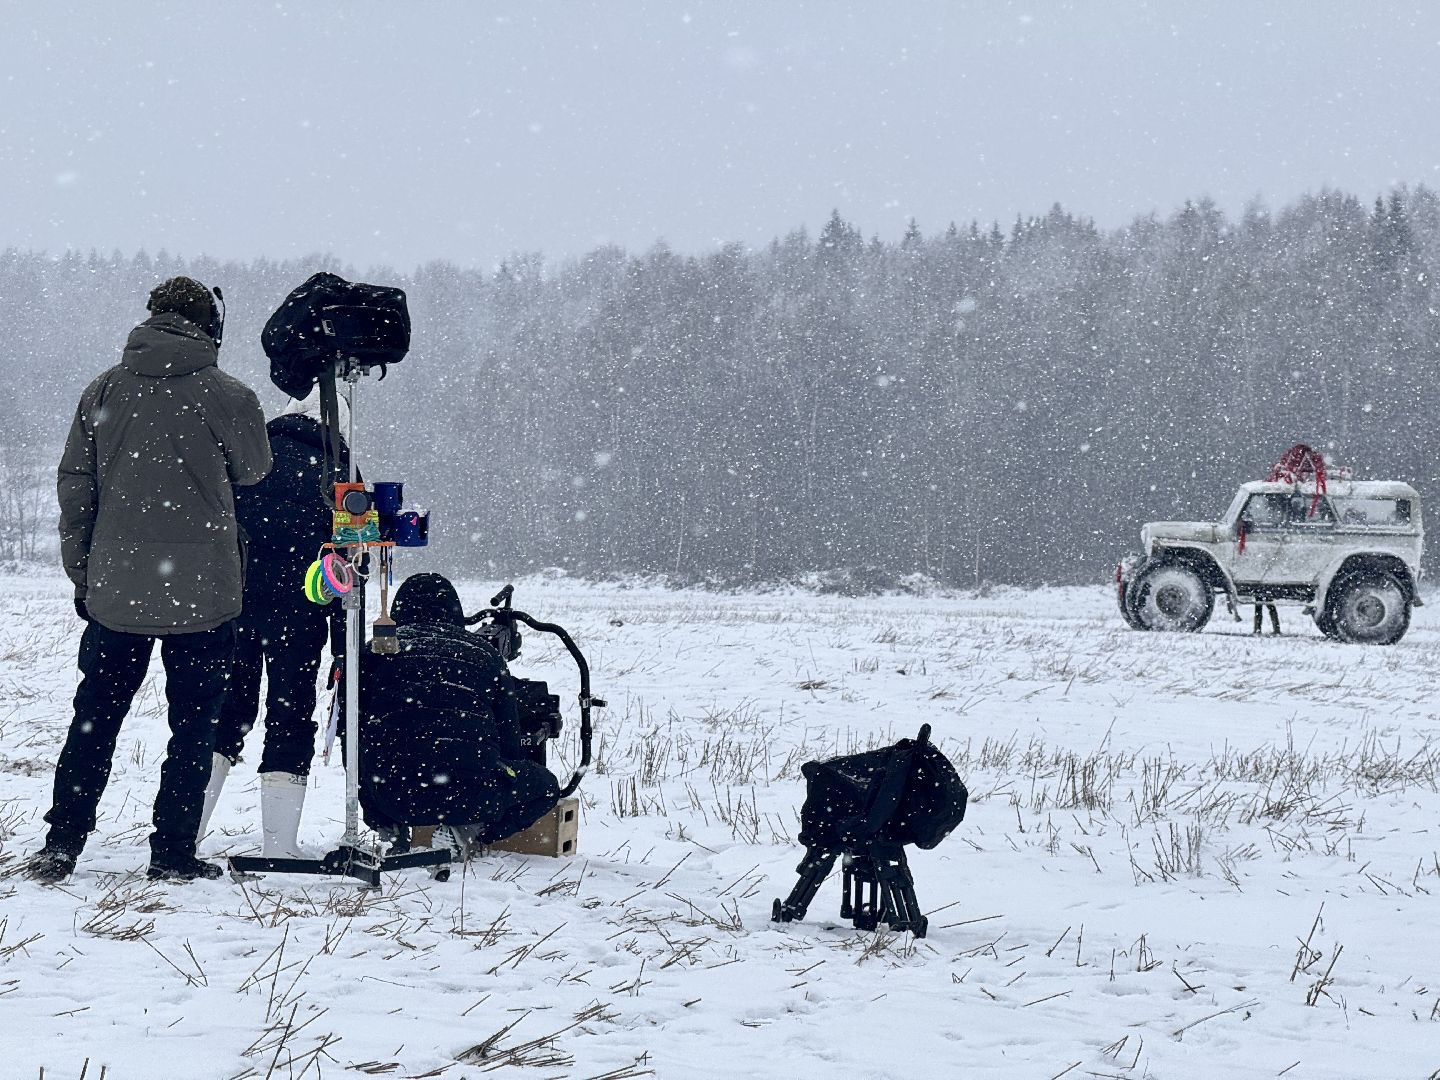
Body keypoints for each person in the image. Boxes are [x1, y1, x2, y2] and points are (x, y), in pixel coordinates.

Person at [23, 277, 271, 884]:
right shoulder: (228, 394)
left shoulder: (104, 389)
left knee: (95, 719)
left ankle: (63, 843)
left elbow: (75, 487)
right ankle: (172, 853)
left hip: (116, 589)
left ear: (153, 316)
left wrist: (84, 573)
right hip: (205, 593)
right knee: (194, 728)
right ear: (209, 325)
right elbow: (256, 469)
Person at [198, 393, 349, 858]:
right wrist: (343, 645)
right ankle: (279, 846)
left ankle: (187, 832)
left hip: (235, 606)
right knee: (290, 717)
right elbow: (347, 568)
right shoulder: (341, 472)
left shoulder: (249, 453)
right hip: (299, 615)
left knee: (224, 714)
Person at [349, 573, 559, 851]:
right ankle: (468, 832)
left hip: (392, 793)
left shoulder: (375, 651)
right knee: (547, 787)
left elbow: (352, 733)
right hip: (470, 796)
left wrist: (374, 802)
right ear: (455, 611)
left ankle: (391, 827)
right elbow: (509, 739)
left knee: (365, 757)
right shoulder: (486, 654)